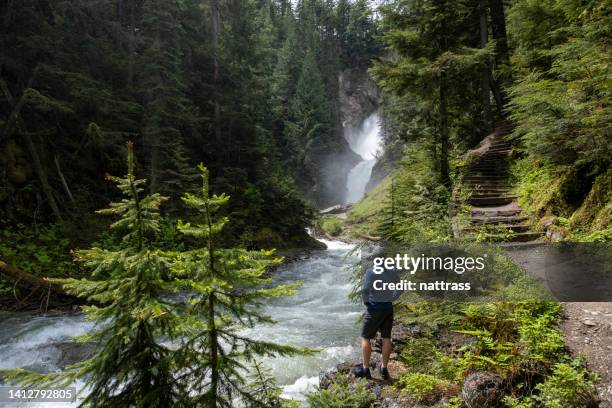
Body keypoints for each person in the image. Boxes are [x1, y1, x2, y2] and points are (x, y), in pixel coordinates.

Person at [353, 260, 401, 380]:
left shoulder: (372, 271)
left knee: (365, 337)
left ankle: (365, 369)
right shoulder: (393, 270)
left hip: (374, 308)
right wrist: (393, 298)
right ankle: (384, 369)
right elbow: (400, 288)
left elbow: (365, 290)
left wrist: (367, 303)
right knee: (386, 337)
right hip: (388, 308)